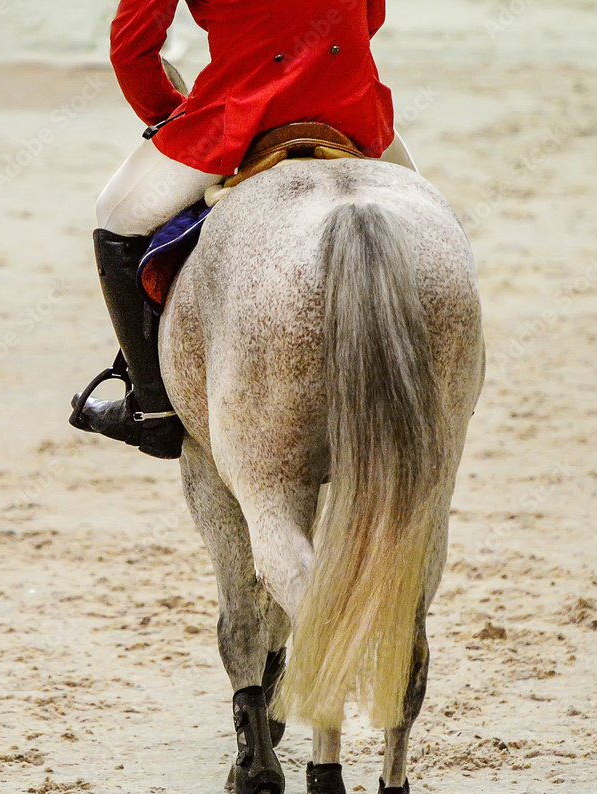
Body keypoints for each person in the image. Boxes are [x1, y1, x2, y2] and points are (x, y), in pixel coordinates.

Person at [70, 0, 405, 459]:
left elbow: (132, 48)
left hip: (238, 115)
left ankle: (153, 412)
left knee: (115, 215)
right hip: (349, 106)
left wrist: (169, 114)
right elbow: (370, 17)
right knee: (427, 215)